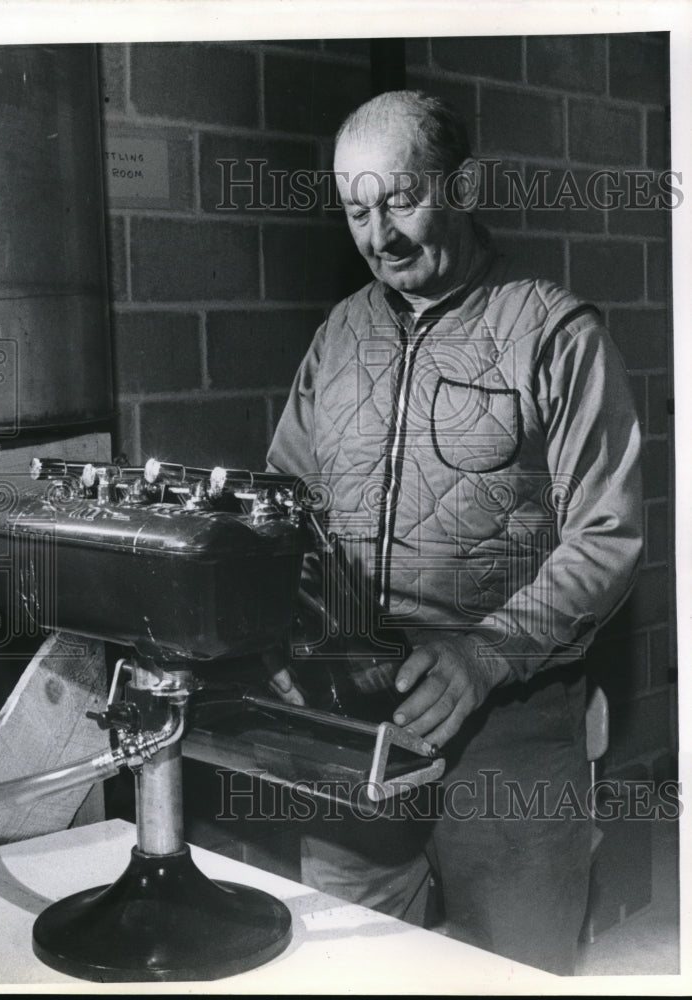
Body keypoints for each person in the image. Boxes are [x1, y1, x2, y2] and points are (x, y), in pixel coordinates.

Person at [265, 90, 642, 975]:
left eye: (399, 200)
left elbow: (608, 534)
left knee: (512, 972)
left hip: (511, 731)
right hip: (358, 722)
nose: (378, 236)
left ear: (463, 185)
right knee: (345, 966)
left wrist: (487, 653)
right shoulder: (339, 335)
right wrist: (287, 626)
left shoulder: (554, 331)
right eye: (356, 210)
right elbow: (284, 507)